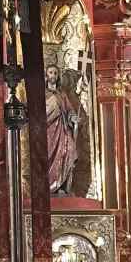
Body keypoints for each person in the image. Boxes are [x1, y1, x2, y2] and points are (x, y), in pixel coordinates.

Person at [45, 64, 79, 196]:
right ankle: (50, 186)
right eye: (50, 72)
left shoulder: (62, 94)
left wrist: (73, 117)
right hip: (49, 132)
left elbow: (69, 109)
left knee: (69, 151)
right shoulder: (43, 94)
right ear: (46, 75)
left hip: (62, 130)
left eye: (55, 73)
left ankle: (61, 185)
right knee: (50, 157)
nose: (53, 75)